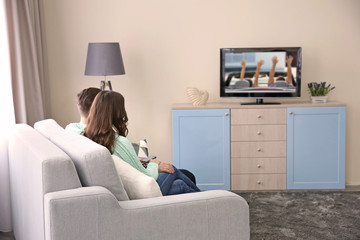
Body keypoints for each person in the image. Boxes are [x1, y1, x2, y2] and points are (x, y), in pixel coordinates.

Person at [66, 87, 197, 185]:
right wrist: (156, 164)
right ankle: (208, 200)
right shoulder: (118, 141)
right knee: (181, 174)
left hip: (131, 180)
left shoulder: (76, 132)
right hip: (142, 187)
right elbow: (142, 173)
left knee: (181, 180)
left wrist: (147, 160)